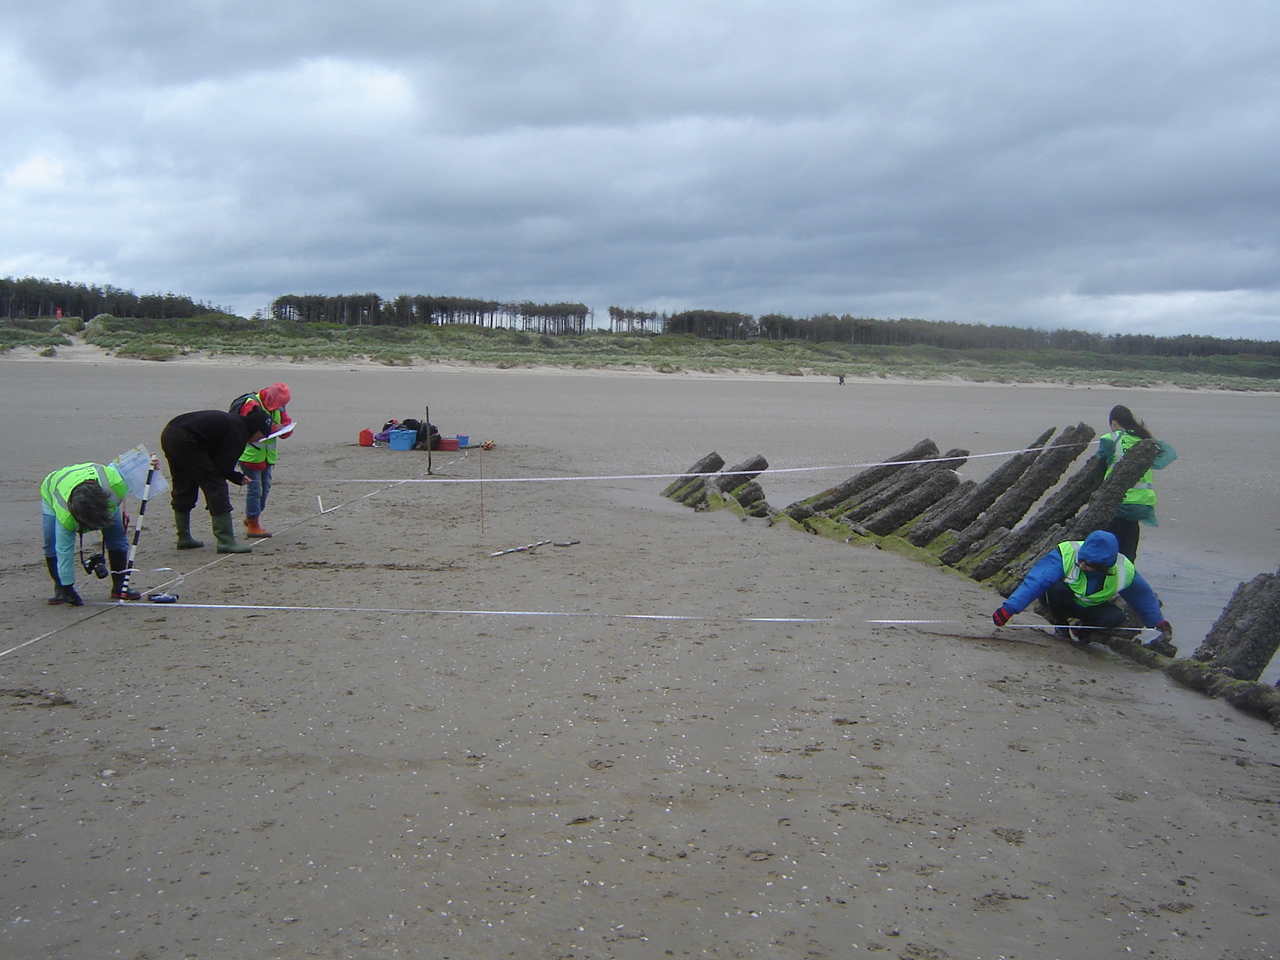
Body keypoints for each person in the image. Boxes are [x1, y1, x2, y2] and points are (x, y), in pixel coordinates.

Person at [992, 530, 1176, 656]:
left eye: (1087, 565)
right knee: (1056, 589)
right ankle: (1061, 626)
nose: (1081, 565)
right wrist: (1008, 609)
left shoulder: (1123, 569)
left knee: (1116, 617)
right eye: (1082, 561)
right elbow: (1036, 581)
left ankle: (1082, 630)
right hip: (1059, 600)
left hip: (1089, 607)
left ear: (1103, 567)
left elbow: (1142, 596)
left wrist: (1157, 622)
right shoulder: (1067, 553)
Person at [160, 409, 273, 554]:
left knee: (184, 483)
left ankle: (184, 537)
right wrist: (236, 477)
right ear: (256, 429)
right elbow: (221, 470)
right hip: (187, 440)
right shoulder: (238, 433)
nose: (259, 439)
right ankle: (225, 541)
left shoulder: (235, 424)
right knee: (216, 486)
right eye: (261, 435)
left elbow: (217, 463)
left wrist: (235, 476)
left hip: (170, 434)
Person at [41, 461, 142, 604]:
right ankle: (62, 588)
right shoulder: (65, 514)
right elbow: (64, 550)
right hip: (53, 487)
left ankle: (120, 586)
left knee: (117, 536)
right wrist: (68, 585)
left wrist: (152, 465)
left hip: (99, 494)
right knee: (51, 542)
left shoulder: (115, 486)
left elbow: (129, 464)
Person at [1096, 404, 1176, 561]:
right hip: (1142, 503)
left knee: (1108, 544)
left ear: (1113, 422)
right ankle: (1127, 572)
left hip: (1117, 501)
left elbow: (1099, 464)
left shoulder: (1110, 439)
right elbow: (1165, 458)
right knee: (1129, 547)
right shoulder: (1144, 440)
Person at [229, 382, 293, 538]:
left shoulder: (279, 405)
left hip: (267, 456)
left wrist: (285, 428)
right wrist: (274, 428)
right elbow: (244, 427)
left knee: (265, 488)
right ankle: (252, 524)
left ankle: (252, 517)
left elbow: (286, 425)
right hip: (251, 455)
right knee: (255, 490)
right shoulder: (251, 404)